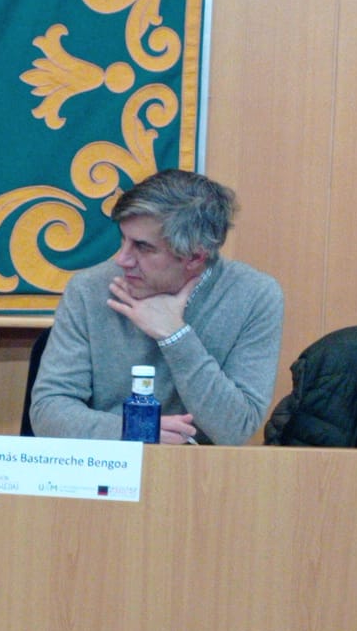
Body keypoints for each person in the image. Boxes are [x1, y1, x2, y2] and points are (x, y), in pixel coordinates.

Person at [29, 169, 283, 445]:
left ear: (195, 257)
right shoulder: (90, 289)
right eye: (123, 239)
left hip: (198, 467)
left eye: (142, 247)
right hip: (107, 462)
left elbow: (236, 428)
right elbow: (48, 411)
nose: (122, 259)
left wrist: (175, 336)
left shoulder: (255, 296)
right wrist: (134, 429)